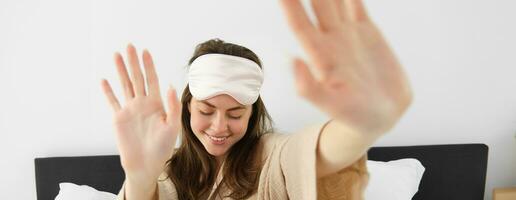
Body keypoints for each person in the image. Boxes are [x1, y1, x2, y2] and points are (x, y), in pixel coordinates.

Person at [100, 0, 413, 199]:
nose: (219, 126)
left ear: (252, 113)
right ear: (186, 108)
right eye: (206, 110)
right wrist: (139, 179)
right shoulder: (163, 168)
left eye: (235, 114)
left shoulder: (269, 157)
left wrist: (362, 126)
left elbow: (313, 155)